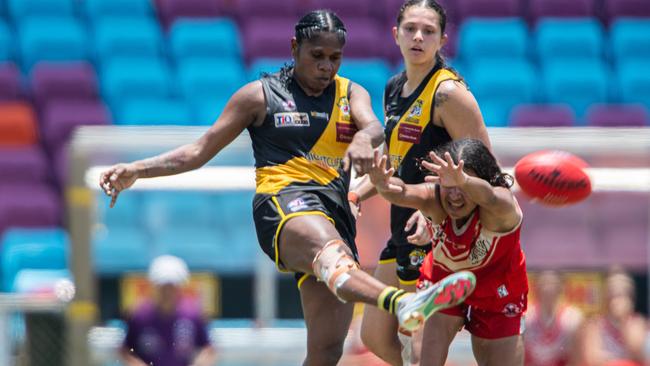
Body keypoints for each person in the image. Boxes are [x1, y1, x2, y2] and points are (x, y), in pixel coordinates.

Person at [100, 10, 476, 366]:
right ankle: (402, 303)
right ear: (294, 48)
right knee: (331, 254)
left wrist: (365, 139)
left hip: (335, 214)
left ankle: (387, 298)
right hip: (283, 205)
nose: (326, 66)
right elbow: (198, 151)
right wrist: (136, 170)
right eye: (317, 55)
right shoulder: (258, 96)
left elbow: (374, 128)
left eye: (335, 57)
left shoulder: (350, 93)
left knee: (326, 352)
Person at [355, 1, 490, 364]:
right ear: (395, 34)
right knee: (375, 334)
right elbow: (399, 160)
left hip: (437, 230)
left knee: (421, 345)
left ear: (443, 39)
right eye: (410, 28)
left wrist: (437, 211)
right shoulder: (394, 87)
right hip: (403, 222)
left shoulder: (448, 94)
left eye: (428, 31)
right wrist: (358, 191)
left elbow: (484, 166)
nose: (418, 36)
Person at [367, 138, 528, 366]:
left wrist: (463, 180)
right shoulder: (434, 201)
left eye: (462, 185)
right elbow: (403, 191)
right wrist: (384, 186)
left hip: (499, 293)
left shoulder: (501, 207)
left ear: (483, 179)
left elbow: (490, 196)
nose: (454, 195)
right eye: (448, 184)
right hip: (442, 285)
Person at [121, 255, 217, 366]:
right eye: (163, 287)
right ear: (154, 286)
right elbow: (126, 351)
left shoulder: (193, 314)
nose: (167, 292)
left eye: (172, 286)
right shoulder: (139, 316)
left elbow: (208, 349)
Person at [578, 268, 646, 366]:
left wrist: (624, 320)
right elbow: (592, 358)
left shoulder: (637, 323)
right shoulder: (595, 324)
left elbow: (637, 353)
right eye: (613, 291)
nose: (618, 296)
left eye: (623, 292)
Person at [524, 270, 584, 366]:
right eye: (544, 284)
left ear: (561, 288)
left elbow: (577, 359)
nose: (548, 289)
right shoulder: (525, 317)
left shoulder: (573, 317)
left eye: (552, 284)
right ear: (536, 288)